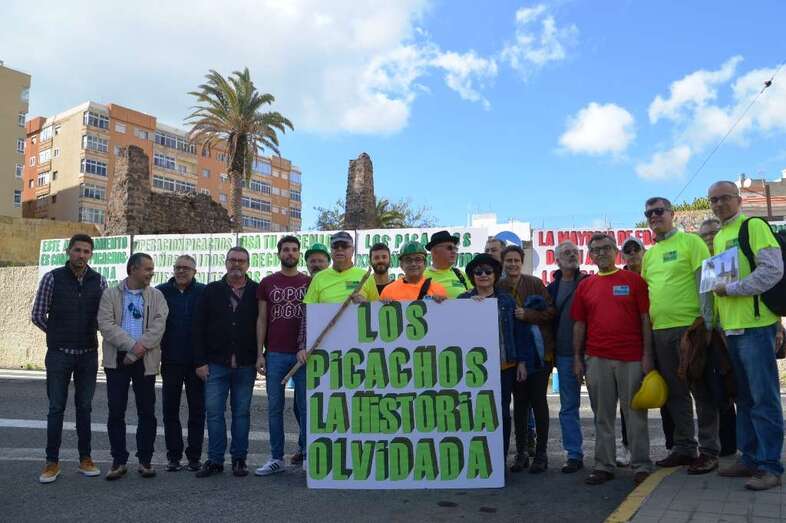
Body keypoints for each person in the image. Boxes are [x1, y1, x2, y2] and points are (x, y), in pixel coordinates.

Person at [709, 181, 784, 491]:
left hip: (756, 326)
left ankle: (770, 466)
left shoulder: (753, 226)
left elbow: (772, 270)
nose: (718, 204)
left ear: (738, 199)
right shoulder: (721, 236)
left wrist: (733, 290)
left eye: (724, 198)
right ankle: (749, 458)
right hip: (733, 329)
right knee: (745, 398)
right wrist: (720, 325)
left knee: (764, 398)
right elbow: (718, 288)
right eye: (713, 200)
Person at [640, 197, 719, 475]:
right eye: (648, 213)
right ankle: (685, 447)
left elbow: (705, 283)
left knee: (702, 389)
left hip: (691, 329)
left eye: (659, 211)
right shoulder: (649, 255)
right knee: (676, 393)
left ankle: (709, 451)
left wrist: (707, 324)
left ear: (672, 214)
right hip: (660, 330)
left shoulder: (692, 243)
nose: (653, 216)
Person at [572, 233, 653, 486]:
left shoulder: (633, 281)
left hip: (631, 357)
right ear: (590, 255)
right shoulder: (585, 285)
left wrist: (648, 355)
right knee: (602, 416)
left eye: (606, 248)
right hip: (597, 359)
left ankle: (640, 464)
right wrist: (577, 357)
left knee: (635, 414)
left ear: (616, 251)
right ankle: (603, 465)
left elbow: (645, 320)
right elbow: (579, 324)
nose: (601, 253)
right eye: (596, 250)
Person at [32, 234, 107, 483]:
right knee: (56, 408)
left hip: (87, 354)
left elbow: (104, 318)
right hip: (58, 355)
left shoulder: (99, 281)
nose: (81, 255)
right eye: (77, 250)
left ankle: (85, 459)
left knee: (84, 408)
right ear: (68, 251)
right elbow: (38, 314)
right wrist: (56, 333)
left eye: (86, 251)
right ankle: (51, 463)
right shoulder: (52, 278)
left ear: (91, 255)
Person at [97, 253, 168, 480]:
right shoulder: (110, 294)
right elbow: (105, 325)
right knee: (116, 411)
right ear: (132, 269)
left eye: (152, 269)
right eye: (147, 269)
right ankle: (118, 461)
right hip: (117, 360)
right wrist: (131, 348)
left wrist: (138, 350)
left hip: (145, 361)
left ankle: (145, 461)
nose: (151, 273)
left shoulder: (157, 296)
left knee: (147, 411)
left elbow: (159, 326)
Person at [193, 247, 259, 478]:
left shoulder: (256, 291)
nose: (236, 265)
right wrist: (200, 362)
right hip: (215, 363)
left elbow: (264, 326)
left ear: (248, 265)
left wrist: (262, 356)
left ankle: (239, 459)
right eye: (232, 260)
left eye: (241, 261)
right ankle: (215, 460)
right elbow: (198, 326)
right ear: (226, 263)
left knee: (241, 413)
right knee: (213, 413)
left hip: (245, 364)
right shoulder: (211, 290)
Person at [458, 254, 529, 467]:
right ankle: (475, 460)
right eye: (478, 272)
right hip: (472, 370)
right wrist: (469, 308)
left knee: (502, 413)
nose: (483, 275)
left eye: (488, 271)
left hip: (503, 367)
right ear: (472, 276)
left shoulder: (506, 300)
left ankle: (498, 460)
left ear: (495, 275)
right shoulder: (462, 301)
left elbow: (520, 332)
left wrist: (522, 362)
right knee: (473, 414)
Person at [255, 236, 311, 475]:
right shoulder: (267, 282)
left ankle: (308, 454)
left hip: (303, 355)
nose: (290, 253)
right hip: (275, 353)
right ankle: (276, 457)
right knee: (275, 407)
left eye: (294, 250)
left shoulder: (310, 282)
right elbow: (262, 319)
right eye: (286, 250)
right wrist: (260, 353)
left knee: (306, 407)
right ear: (279, 254)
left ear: (299, 254)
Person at [499, 245, 556, 474]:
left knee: (538, 402)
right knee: (519, 404)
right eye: (508, 260)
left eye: (516, 260)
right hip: (513, 354)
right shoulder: (499, 285)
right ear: (503, 263)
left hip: (539, 354)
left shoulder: (534, 283)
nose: (512, 264)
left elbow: (551, 311)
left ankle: (541, 454)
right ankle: (521, 452)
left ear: (522, 262)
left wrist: (528, 315)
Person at [621, 236, 675, 462]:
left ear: (644, 251)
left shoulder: (654, 273)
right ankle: (627, 447)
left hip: (659, 336)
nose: (633, 253)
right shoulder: (620, 278)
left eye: (637, 249)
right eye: (628, 250)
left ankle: (674, 446)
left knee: (667, 392)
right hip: (632, 343)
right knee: (629, 397)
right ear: (622, 256)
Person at [156, 255, 206, 472]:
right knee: (170, 410)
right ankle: (173, 456)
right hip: (170, 360)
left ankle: (194, 456)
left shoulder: (204, 292)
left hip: (197, 363)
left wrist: (204, 359)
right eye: (178, 267)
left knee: (197, 410)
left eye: (186, 268)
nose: (181, 271)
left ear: (195, 271)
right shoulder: (161, 292)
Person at [546, 240, 588, 473]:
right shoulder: (551, 289)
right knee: (568, 407)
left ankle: (606, 456)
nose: (571, 255)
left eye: (574, 252)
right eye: (565, 253)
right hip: (564, 355)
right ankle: (574, 455)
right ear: (557, 260)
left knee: (603, 408)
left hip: (593, 353)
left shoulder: (589, 283)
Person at [699, 216, 738, 457]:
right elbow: (705, 302)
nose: (710, 239)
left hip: (732, 331)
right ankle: (726, 445)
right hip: (711, 334)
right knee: (718, 390)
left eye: (713, 233)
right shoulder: (707, 264)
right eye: (705, 236)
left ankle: (735, 444)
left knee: (736, 389)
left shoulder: (727, 259)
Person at [302, 231, 379, 304]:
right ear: (331, 250)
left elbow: (377, 310)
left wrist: (366, 305)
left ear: (353, 250)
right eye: (335, 246)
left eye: (344, 246)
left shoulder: (367, 277)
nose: (339, 249)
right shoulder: (318, 278)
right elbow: (308, 311)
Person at [380, 241, 448, 301]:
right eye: (408, 260)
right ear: (401, 265)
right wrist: (383, 304)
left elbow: (445, 314)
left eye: (418, 259)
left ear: (425, 264)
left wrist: (442, 304)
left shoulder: (438, 290)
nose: (413, 264)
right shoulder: (388, 292)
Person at [424, 230, 472, 299]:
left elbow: (475, 296)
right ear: (434, 251)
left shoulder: (461, 275)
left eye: (455, 248)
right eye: (449, 248)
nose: (454, 252)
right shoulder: (421, 276)